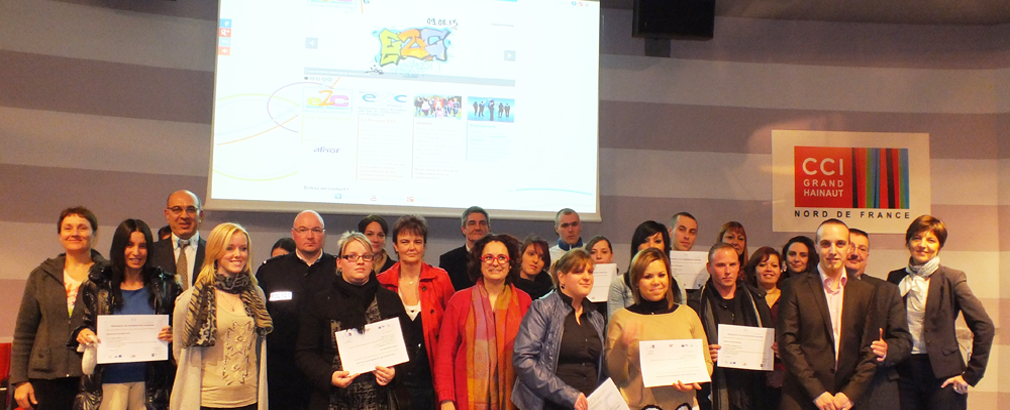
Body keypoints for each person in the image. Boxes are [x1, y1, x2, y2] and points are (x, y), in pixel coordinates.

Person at [886, 216, 993, 410]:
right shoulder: (895, 278)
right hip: (903, 372)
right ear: (908, 242)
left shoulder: (952, 278)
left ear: (939, 246)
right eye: (917, 238)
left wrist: (971, 375)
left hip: (943, 375)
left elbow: (984, 326)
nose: (922, 245)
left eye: (931, 240)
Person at [73, 219, 182, 410]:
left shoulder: (167, 286)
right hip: (107, 383)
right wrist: (82, 332)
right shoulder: (96, 285)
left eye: (142, 246)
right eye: (129, 245)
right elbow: (79, 324)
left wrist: (175, 335)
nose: (136, 252)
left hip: (151, 387)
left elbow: (183, 329)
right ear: (119, 247)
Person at [297, 232, 409, 410]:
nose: (360, 261)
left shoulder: (389, 300)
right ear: (339, 263)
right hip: (333, 401)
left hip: (380, 401)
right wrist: (329, 376)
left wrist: (395, 373)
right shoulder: (321, 301)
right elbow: (304, 354)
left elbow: (408, 347)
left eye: (366, 256)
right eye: (352, 256)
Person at [777, 219, 878, 410]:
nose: (833, 251)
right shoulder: (794, 288)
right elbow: (787, 343)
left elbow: (870, 349)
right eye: (825, 244)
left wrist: (850, 394)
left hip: (846, 401)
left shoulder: (866, 292)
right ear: (816, 247)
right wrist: (817, 392)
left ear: (849, 248)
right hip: (801, 397)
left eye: (840, 243)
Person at [13, 207, 107, 410]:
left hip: (96, 375)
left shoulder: (109, 275)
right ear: (60, 235)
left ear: (94, 234)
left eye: (82, 228)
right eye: (68, 228)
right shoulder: (41, 276)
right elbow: (24, 332)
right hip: (47, 378)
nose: (75, 233)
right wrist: (20, 380)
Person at [171, 222, 273, 410]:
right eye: (230, 248)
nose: (238, 254)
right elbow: (180, 352)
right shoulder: (191, 299)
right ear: (216, 251)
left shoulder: (256, 295)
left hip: (250, 399)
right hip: (208, 401)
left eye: (243, 248)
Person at [606, 247, 712, 410]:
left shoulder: (687, 314)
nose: (656, 282)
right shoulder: (622, 318)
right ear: (636, 282)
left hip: (684, 405)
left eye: (661, 275)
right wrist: (622, 344)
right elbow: (615, 374)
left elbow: (705, 362)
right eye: (648, 276)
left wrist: (693, 380)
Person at [435, 234, 533, 410]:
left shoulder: (524, 301)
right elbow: (445, 357)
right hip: (465, 401)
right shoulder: (459, 301)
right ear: (479, 263)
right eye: (488, 257)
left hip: (516, 401)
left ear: (511, 264)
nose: (495, 263)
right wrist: (446, 399)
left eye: (502, 257)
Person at [255, 211, 338, 410]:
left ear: (324, 234)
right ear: (294, 234)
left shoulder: (338, 269)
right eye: (303, 230)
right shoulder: (271, 270)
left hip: (325, 369)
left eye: (316, 230)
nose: (310, 236)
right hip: (282, 371)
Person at [377, 215, 456, 410]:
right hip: (394, 378)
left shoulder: (441, 279)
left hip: (431, 376)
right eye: (405, 241)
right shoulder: (381, 282)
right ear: (395, 246)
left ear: (424, 246)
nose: (411, 247)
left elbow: (453, 328)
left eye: (417, 242)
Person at [512, 249, 605, 410]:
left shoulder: (596, 316)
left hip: (589, 405)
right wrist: (568, 394)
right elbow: (523, 359)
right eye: (578, 271)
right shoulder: (542, 308)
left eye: (590, 272)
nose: (586, 277)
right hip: (549, 404)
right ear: (561, 276)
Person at [688, 244, 772, 410]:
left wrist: (773, 350)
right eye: (721, 265)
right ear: (709, 267)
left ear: (739, 266)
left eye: (732, 265)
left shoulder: (757, 300)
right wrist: (703, 353)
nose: (727, 271)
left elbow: (771, 339)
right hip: (714, 392)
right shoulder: (695, 304)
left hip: (753, 392)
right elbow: (687, 351)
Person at [846, 228, 911, 410]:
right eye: (850, 247)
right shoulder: (820, 291)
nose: (855, 253)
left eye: (861, 249)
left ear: (867, 255)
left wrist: (887, 349)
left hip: (877, 388)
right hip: (834, 389)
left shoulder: (887, 291)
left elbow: (904, 340)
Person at [607, 221, 679, 318]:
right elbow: (614, 325)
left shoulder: (677, 283)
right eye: (645, 241)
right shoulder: (620, 284)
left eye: (657, 241)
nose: (651, 246)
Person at [743, 247, 786, 408]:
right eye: (762, 265)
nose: (769, 269)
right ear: (753, 271)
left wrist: (783, 366)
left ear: (781, 270)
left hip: (783, 376)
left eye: (774, 265)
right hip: (750, 378)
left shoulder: (790, 299)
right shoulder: (743, 298)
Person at [149, 190, 206, 289]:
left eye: (191, 209)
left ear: (200, 215)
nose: (184, 216)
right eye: (177, 209)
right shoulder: (151, 252)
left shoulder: (214, 253)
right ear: (167, 215)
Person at [439, 206, 490, 291]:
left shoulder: (498, 260)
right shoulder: (449, 261)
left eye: (482, 223)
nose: (477, 228)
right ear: (463, 229)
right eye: (472, 223)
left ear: (488, 229)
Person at [514, 236, 554, 300]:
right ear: (521, 255)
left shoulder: (549, 290)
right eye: (531, 254)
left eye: (542, 258)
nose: (535, 260)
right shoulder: (507, 284)